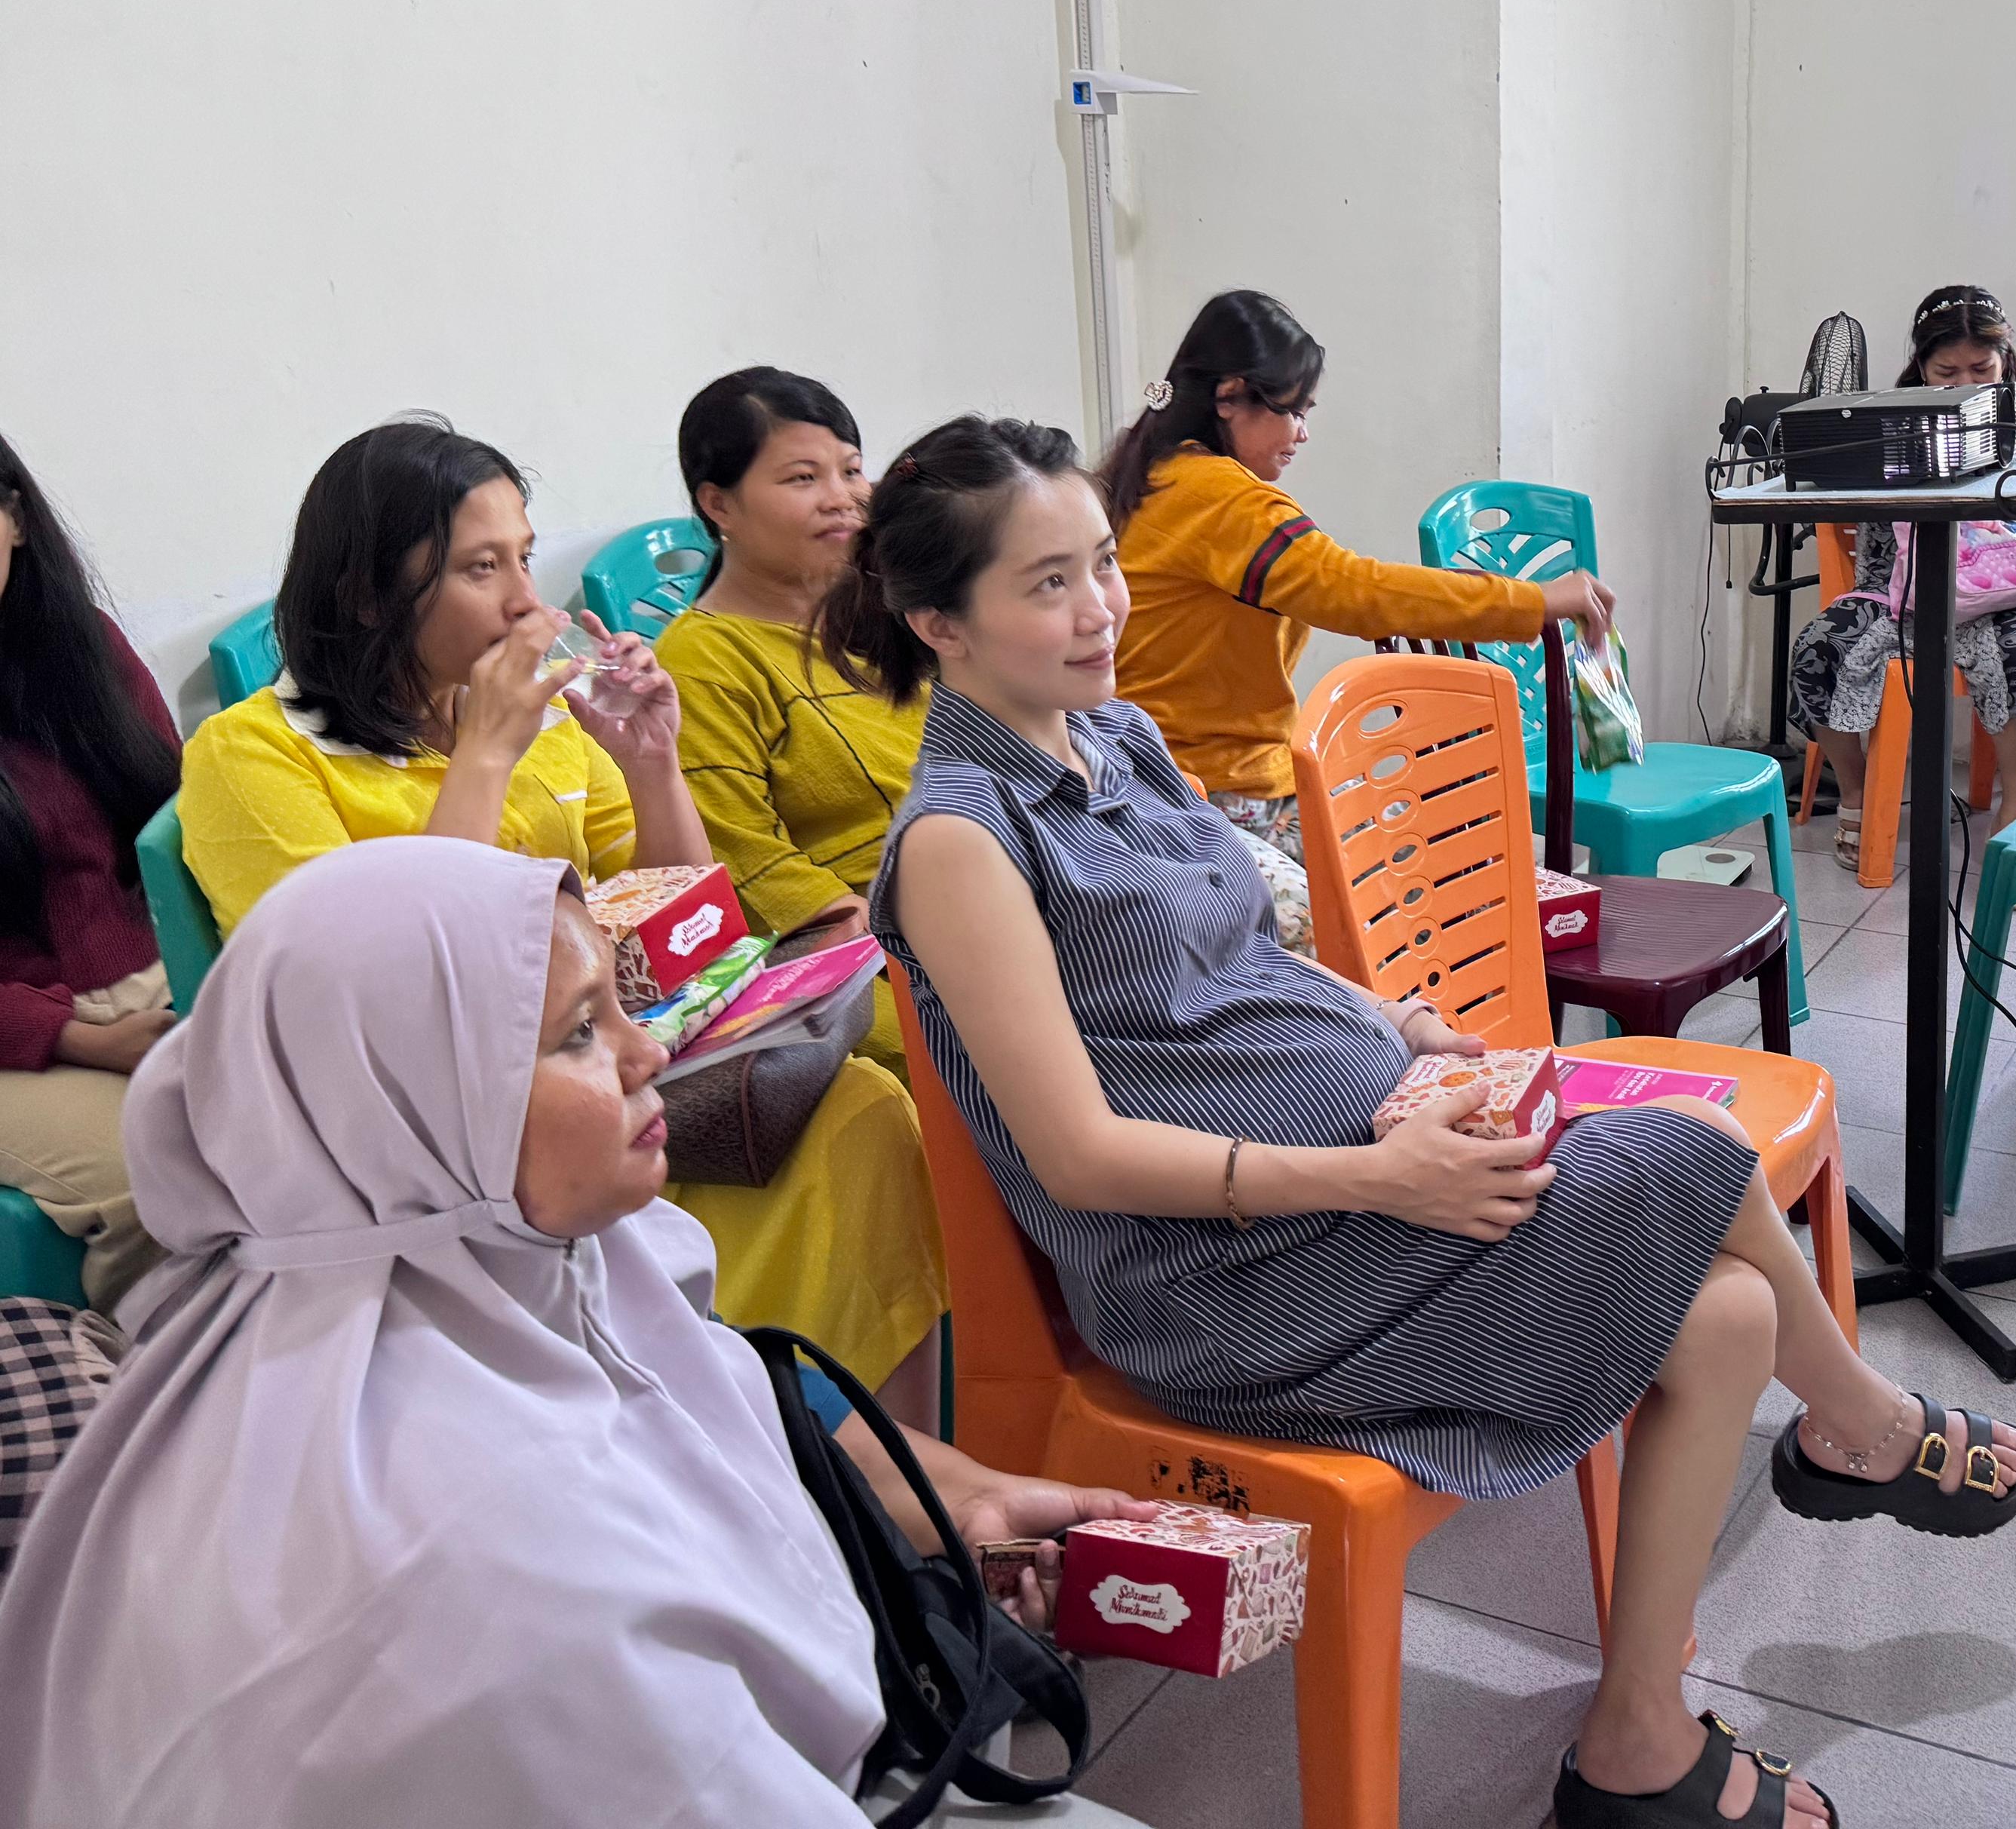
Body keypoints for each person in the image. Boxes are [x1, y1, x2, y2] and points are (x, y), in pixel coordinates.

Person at [842, 415, 2016, 1828]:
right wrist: (1380, 1179)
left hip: (1365, 1177)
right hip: (1224, 1282)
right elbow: (1081, 1157)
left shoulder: (1119, 738)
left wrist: (1393, 1025)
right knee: (1698, 1147)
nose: (1101, 606)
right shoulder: (962, 841)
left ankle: (1636, 1740)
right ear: (940, 623)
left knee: (1723, 1317)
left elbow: (1243, 954)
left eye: (1103, 563)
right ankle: (1862, 1426)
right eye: (1048, 584)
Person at [0, 836, 1155, 1827]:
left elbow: (719, 1407)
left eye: (616, 1007)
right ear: (418, 1118)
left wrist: (955, 1509)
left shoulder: (532, 1272)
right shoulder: (481, 1552)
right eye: (576, 1036)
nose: (650, 1053)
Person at [174, 419, 946, 1412]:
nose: (525, 601)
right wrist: (485, 755)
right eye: (480, 567)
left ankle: (888, 1459)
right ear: (367, 596)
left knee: (862, 1109)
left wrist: (652, 764)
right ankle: (729, 1410)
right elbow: (385, 1009)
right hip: (448, 1149)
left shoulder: (541, 725)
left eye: (525, 557)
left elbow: (676, 929)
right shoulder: (252, 756)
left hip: (612, 1080)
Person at [1102, 290, 1615, 950]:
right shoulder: (1220, 499)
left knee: (1440, 861)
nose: (1302, 434)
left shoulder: (1153, 475)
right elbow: (1353, 590)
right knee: (1376, 936)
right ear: (1229, 396)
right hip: (1195, 796)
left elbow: (1345, 585)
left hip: (1205, 778)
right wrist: (1533, 601)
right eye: (1293, 411)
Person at [656, 367, 923, 1071]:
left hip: (974, 892)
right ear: (719, 503)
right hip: (857, 949)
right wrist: (864, 924)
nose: (842, 498)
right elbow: (739, 853)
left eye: (852, 470)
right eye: (803, 478)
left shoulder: (890, 612)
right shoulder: (703, 660)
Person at [1788, 284, 2016, 853]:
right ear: (1921, 367)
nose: (1965, 385)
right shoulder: (1891, 421)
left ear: (2006, 362)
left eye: (1982, 370)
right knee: (1818, 648)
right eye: (1946, 372)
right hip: (1903, 590)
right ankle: (1857, 794)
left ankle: (2013, 820)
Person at [0, 436, 180, 1310]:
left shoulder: (84, 649)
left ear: (15, 519)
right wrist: (87, 1039)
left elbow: (176, 825)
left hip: (149, 986)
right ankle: (154, 1379)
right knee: (153, 1183)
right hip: (21, 1035)